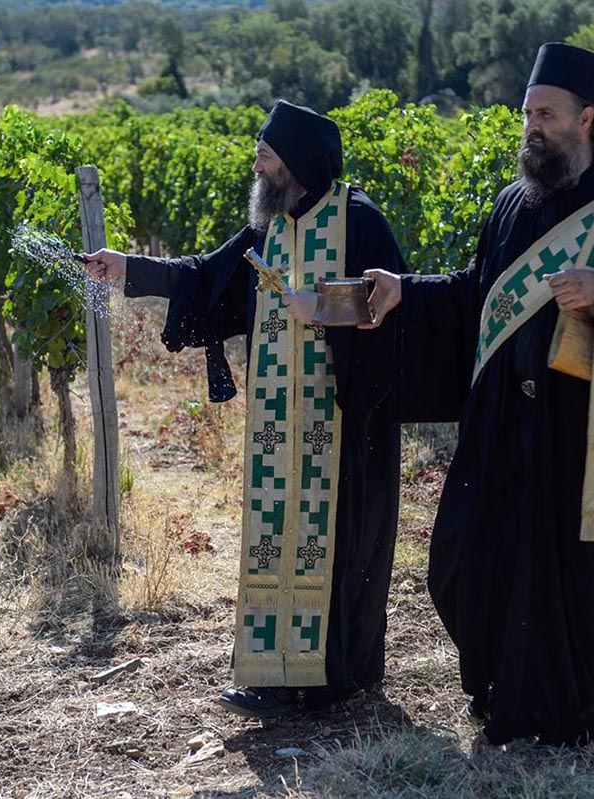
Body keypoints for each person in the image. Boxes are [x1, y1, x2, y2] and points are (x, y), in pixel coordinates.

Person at [363, 43, 594, 745]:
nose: (532, 127)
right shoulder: (511, 203)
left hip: (575, 431)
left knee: (568, 572)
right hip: (498, 422)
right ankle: (496, 685)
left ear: (587, 118)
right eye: (527, 114)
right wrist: (408, 290)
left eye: (546, 115)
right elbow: (476, 291)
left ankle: (573, 708)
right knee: (464, 558)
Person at [85, 100, 406, 717]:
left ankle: (331, 680)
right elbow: (206, 275)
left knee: (339, 546)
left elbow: (392, 307)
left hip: (345, 424)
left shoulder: (360, 221)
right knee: (273, 539)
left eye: (265, 155)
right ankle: (270, 672)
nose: (256, 167)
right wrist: (127, 268)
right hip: (276, 426)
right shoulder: (272, 226)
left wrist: (324, 307)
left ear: (298, 161)